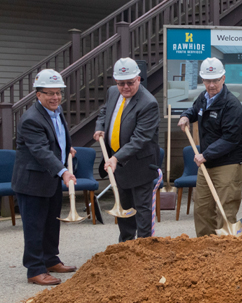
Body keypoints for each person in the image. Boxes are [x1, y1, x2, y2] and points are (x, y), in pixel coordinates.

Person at [11, 69, 78, 286]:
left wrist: (67, 149)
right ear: (37, 94)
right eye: (50, 93)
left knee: (51, 224)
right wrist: (64, 171)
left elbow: (55, 142)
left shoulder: (56, 112)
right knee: (34, 226)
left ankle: (51, 260)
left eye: (58, 93)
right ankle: (35, 269)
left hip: (50, 179)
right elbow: (40, 151)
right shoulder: (31, 119)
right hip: (32, 183)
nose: (55, 97)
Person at [178, 57, 242, 237]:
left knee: (225, 210)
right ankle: (205, 249)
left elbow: (231, 139)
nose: (212, 84)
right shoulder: (203, 98)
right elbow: (194, 110)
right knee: (202, 208)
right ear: (202, 80)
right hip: (207, 162)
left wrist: (205, 154)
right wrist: (186, 116)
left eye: (215, 80)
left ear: (223, 78)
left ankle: (226, 252)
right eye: (208, 80)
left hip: (229, 163)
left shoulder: (232, 105)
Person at [94, 57, 160, 242]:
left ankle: (144, 246)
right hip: (119, 165)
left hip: (140, 164)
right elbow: (104, 111)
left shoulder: (149, 103)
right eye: (121, 83)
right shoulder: (113, 92)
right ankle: (126, 244)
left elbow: (140, 139)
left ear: (138, 79)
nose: (125, 88)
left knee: (142, 209)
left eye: (130, 83)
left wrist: (116, 158)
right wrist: (99, 126)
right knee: (123, 206)